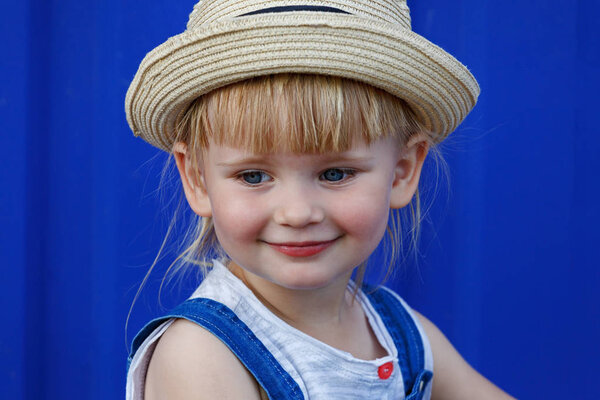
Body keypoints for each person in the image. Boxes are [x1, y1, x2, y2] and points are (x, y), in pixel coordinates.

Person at [125, 1, 514, 399]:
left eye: (335, 174)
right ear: (197, 180)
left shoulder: (403, 337)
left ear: (402, 170)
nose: (297, 213)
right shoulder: (201, 354)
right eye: (253, 176)